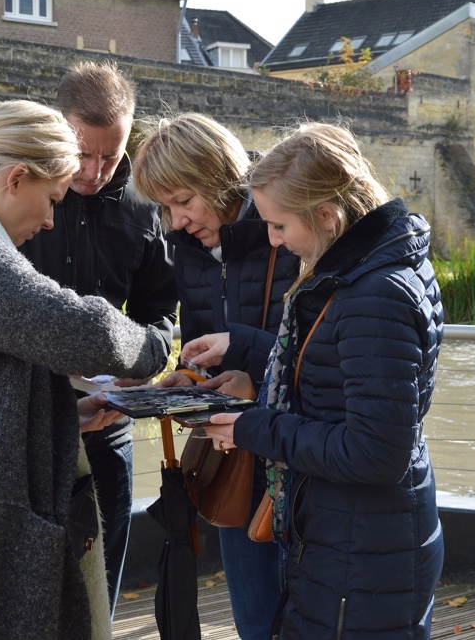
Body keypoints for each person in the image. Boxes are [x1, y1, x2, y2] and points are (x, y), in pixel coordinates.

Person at [188, 123, 446, 639]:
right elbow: (334, 374)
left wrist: (252, 428)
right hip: (352, 538)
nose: (273, 240)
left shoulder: (373, 294)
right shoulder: (364, 274)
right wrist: (243, 347)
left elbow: (375, 452)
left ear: (327, 216)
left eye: (280, 226)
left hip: (362, 550)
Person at [0, 100, 168, 640]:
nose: (52, 219)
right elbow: (86, 332)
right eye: (52, 198)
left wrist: (63, 413)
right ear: (16, 178)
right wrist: (154, 348)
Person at [132, 112, 301, 640]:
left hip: (304, 460)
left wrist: (252, 379)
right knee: (253, 619)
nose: (176, 221)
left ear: (219, 178)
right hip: (239, 456)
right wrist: (188, 377)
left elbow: (323, 358)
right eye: (166, 208)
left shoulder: (289, 229)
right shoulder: (188, 247)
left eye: (184, 201)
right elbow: (206, 340)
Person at [20, 61, 177, 616]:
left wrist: (148, 361)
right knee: (26, 594)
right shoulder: (19, 191)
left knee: (98, 595)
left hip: (108, 426)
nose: (94, 171)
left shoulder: (142, 201)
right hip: (27, 423)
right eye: (82, 153)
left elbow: (160, 311)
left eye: (110, 156)